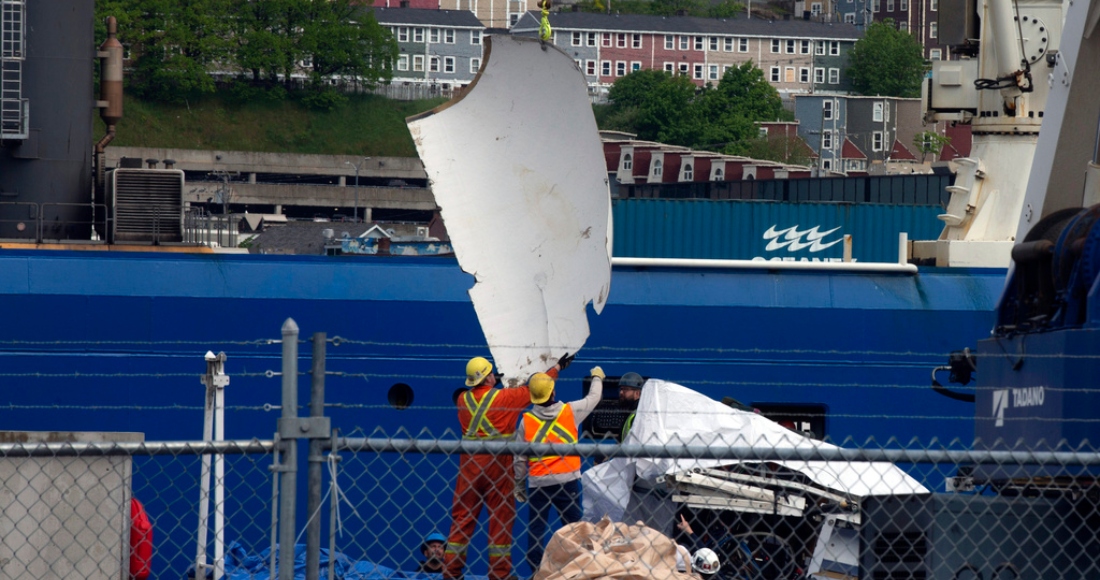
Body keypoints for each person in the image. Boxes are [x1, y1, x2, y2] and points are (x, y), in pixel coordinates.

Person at [444, 354, 573, 580]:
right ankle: (499, 575)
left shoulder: (462, 400)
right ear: (488, 377)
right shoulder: (504, 398)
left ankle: (451, 573)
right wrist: (557, 368)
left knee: (462, 517)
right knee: (500, 520)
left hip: (470, 465)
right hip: (498, 465)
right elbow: (532, 389)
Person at [513, 366, 604, 572]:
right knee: (575, 528)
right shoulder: (569, 411)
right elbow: (594, 396)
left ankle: (537, 571)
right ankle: (582, 567)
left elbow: (519, 458)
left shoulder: (527, 421)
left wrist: (519, 484)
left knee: (536, 530)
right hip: (567, 481)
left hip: (538, 483)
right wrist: (597, 376)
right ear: (553, 391)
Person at [617, 372, 645, 441]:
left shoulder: (639, 416)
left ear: (637, 393)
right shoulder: (630, 413)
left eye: (625, 389)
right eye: (621, 389)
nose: (621, 392)